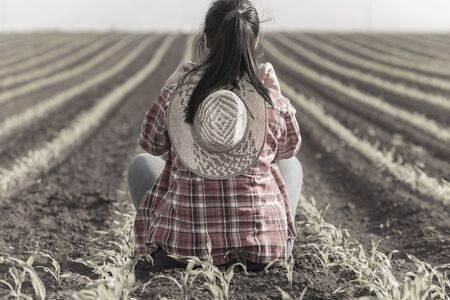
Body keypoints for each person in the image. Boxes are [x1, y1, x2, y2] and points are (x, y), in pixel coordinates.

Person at [128, 0, 303, 272]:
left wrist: (169, 88)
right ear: (254, 41)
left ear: (206, 39)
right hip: (263, 256)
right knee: (292, 165)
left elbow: (150, 144)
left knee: (141, 164)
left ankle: (168, 236)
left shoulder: (178, 97)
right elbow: (289, 149)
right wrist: (275, 93)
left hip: (183, 255)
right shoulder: (271, 102)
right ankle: (273, 235)